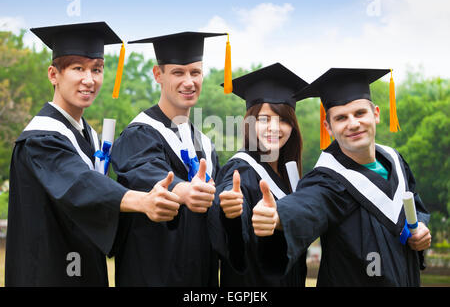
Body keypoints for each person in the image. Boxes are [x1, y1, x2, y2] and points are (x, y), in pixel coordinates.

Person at [5, 22, 181, 286]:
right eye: (78, 68)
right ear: (53, 74)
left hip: (85, 269)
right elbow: (80, 185)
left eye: (96, 69)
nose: (89, 79)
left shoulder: (87, 135)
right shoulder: (41, 139)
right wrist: (142, 201)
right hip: (48, 272)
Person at [252, 68, 431, 286]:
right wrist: (278, 216)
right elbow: (308, 205)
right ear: (328, 127)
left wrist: (420, 228)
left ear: (376, 114)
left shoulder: (396, 161)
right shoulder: (327, 180)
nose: (353, 124)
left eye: (359, 113)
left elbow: (416, 205)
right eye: (341, 118)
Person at [111, 31, 227, 286]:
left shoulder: (204, 144)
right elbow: (143, 171)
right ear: (158, 75)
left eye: (195, 73)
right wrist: (183, 190)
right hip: (152, 275)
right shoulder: (140, 133)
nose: (189, 82)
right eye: (178, 72)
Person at [209, 63, 309, 286]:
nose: (275, 127)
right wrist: (230, 213)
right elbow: (231, 224)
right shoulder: (240, 170)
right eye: (264, 119)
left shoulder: (292, 176)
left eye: (283, 119)